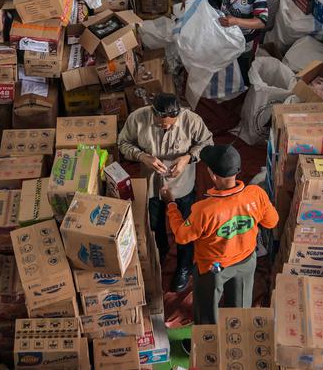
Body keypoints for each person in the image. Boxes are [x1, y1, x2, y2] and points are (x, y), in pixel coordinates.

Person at [163, 144, 277, 324]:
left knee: (207, 310)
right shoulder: (256, 194)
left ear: (213, 175)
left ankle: (208, 340)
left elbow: (181, 236)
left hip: (214, 268)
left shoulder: (204, 210)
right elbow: (272, 222)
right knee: (240, 311)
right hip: (246, 261)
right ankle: (235, 339)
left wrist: (171, 206)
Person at [117, 92, 214, 292]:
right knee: (155, 225)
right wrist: (142, 156)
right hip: (152, 185)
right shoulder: (137, 118)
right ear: (153, 113)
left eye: (171, 124)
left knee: (185, 230)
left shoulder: (192, 120)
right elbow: (123, 143)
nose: (166, 127)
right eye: (161, 125)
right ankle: (160, 254)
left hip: (182, 186)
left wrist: (188, 157)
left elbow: (207, 143)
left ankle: (184, 266)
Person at [184, 0, 268, 80]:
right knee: (225, 62)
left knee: (242, 66)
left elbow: (261, 21)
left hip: (245, 37)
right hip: (226, 28)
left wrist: (236, 21)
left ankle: (243, 89)